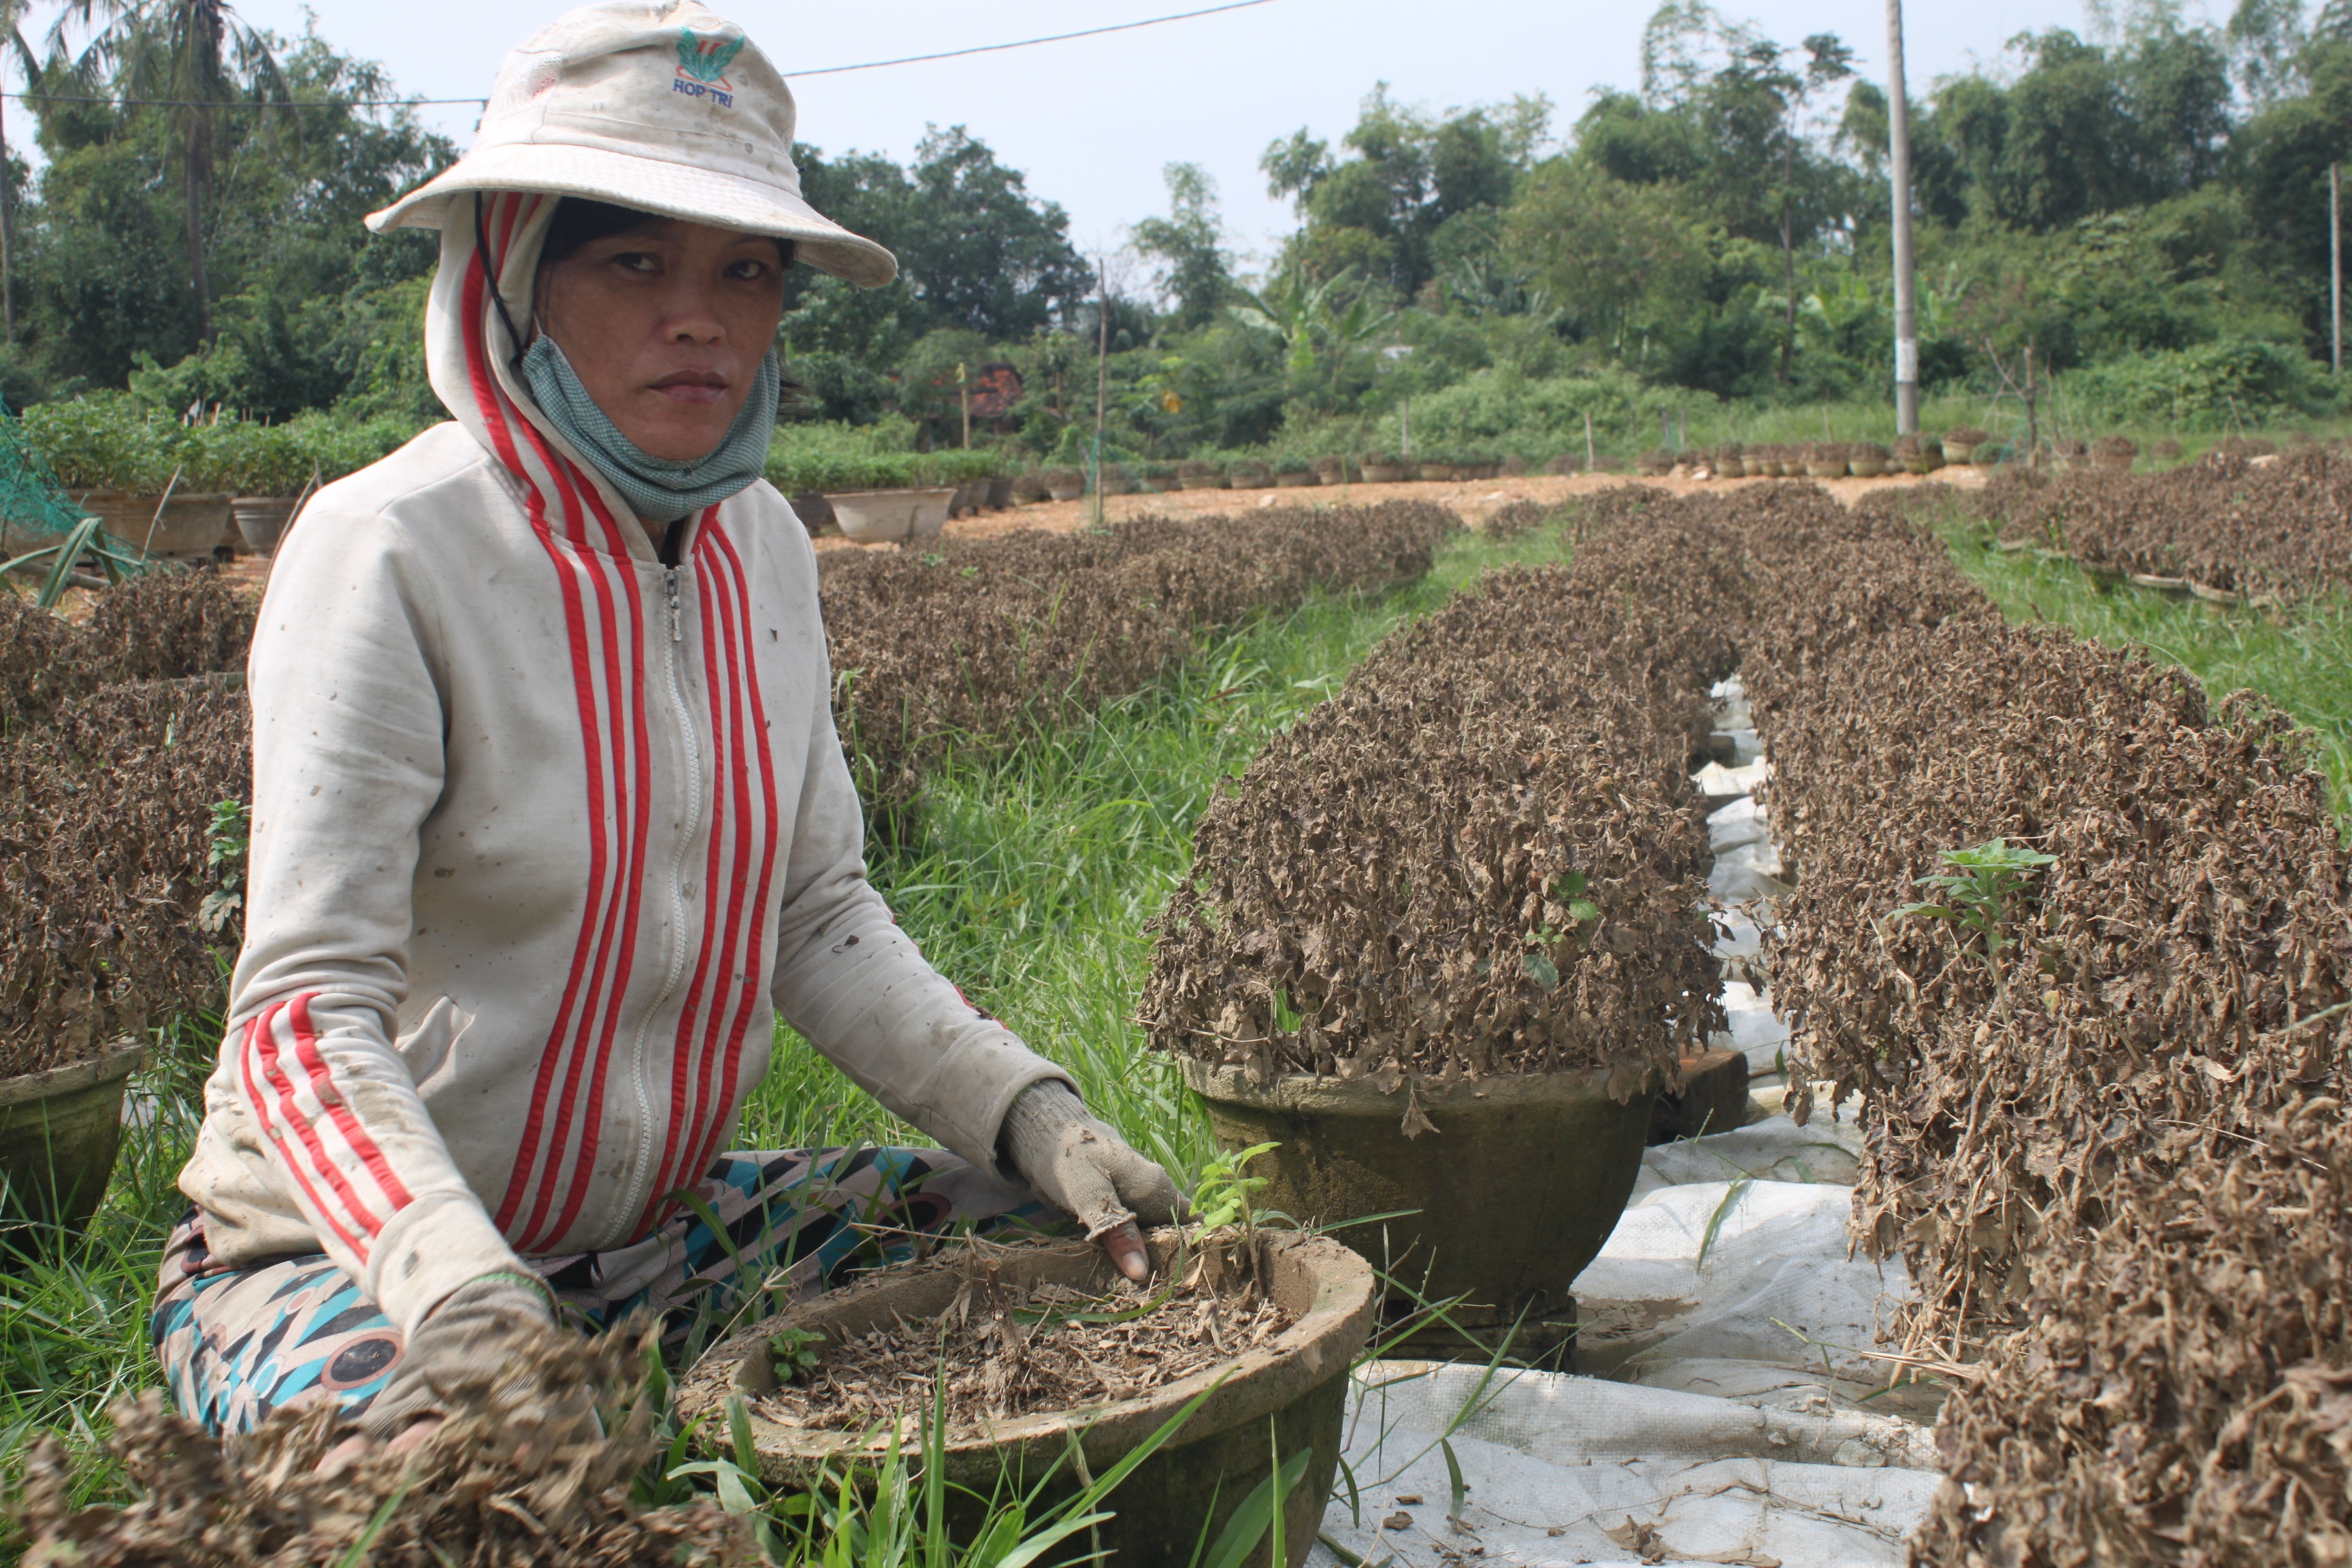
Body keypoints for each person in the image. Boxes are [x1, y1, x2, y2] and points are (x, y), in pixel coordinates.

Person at [152, 0, 1183, 1444]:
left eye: (744, 270)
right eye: (634, 258)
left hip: (654, 1241)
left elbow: (814, 916)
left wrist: (1033, 1115)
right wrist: (457, 1291)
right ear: (514, 270)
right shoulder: (389, 548)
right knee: (434, 1474)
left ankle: (645, 1383)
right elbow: (300, 1017)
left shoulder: (756, 546)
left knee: (1058, 1247)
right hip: (353, 1267)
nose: (697, 315)